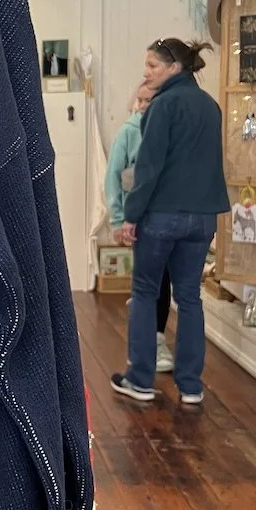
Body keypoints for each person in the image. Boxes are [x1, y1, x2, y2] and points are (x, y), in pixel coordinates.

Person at [110, 38, 229, 405]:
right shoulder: (210, 106)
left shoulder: (162, 106)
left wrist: (131, 215)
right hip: (203, 218)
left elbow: (148, 168)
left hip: (162, 216)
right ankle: (191, 386)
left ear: (174, 67)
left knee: (146, 292)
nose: (146, 73)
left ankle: (140, 380)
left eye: (153, 66)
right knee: (190, 297)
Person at [105, 81, 173, 373]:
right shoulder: (128, 133)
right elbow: (113, 178)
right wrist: (118, 219)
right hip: (139, 220)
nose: (144, 106)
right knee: (148, 281)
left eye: (150, 100)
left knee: (162, 279)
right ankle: (143, 345)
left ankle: (156, 338)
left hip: (167, 217)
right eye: (141, 100)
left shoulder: (169, 131)